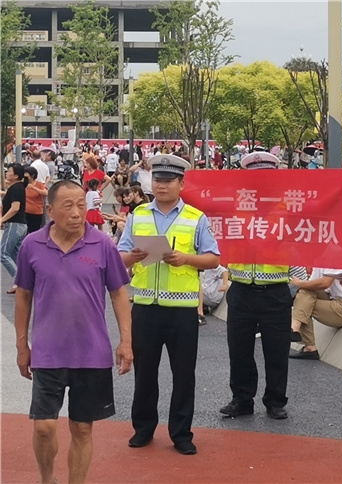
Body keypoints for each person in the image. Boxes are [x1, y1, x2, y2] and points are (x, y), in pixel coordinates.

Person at [13, 180, 133, 484]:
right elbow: (23, 295)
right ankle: (47, 479)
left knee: (82, 428)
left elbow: (119, 293)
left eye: (81, 204)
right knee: (44, 427)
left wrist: (126, 341)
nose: (77, 212)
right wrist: (22, 345)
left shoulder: (103, 244)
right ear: (50, 210)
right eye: (68, 206)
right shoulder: (32, 245)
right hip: (47, 352)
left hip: (92, 353)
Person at [118, 153, 219, 455]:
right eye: (157, 180)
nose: (161, 186)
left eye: (168, 181)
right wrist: (133, 256)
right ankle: (143, 429)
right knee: (145, 373)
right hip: (145, 307)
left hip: (182, 311)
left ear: (181, 184)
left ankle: (181, 434)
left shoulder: (196, 218)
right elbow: (119, 258)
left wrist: (186, 258)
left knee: (184, 375)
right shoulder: (138, 215)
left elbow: (213, 259)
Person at [220, 152, 294, 421]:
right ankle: (242, 399)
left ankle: (275, 400)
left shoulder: (289, 208)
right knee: (239, 350)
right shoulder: (236, 207)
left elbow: (322, 212)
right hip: (241, 288)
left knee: (277, 350)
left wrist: (341, 184)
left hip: (275, 289)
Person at [288, 254, 342, 360]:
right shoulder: (320, 257)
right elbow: (310, 286)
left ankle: (296, 330)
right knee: (304, 293)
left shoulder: (335, 253)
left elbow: (325, 283)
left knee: (304, 305)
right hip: (334, 300)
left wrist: (298, 283)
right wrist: (301, 285)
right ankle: (305, 342)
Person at [1, 163, 29, 294]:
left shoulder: (16, 188)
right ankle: (24, 281)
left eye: (9, 171)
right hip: (18, 225)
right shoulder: (16, 187)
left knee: (3, 253)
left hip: (14, 224)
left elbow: (15, 208)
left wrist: (2, 219)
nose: (7, 173)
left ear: (16, 175)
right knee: (15, 255)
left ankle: (19, 281)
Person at [24, 166, 48, 234]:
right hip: (25, 212)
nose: (24, 175)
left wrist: (34, 188)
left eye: (26, 174)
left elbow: (46, 193)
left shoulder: (39, 184)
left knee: (34, 232)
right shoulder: (24, 184)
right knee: (25, 232)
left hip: (36, 213)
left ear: (32, 175)